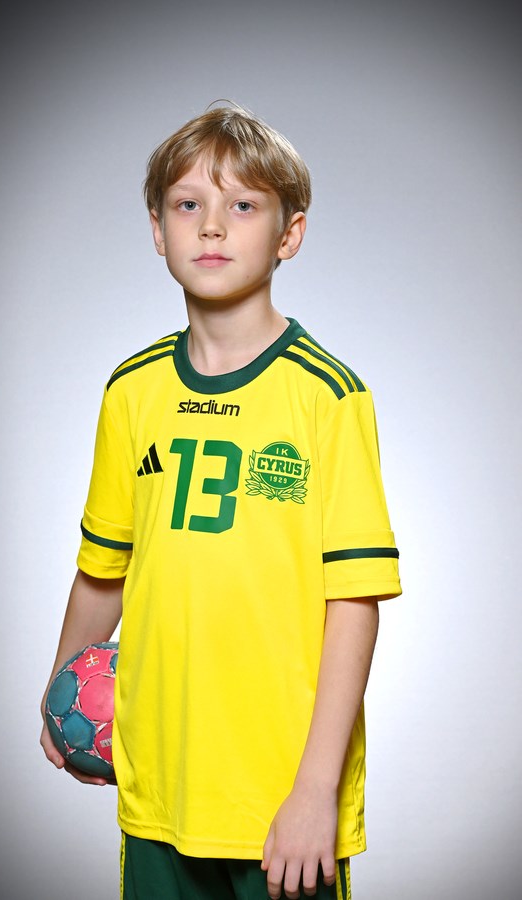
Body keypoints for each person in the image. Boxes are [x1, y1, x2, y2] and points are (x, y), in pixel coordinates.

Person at [40, 103, 401, 900]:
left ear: (288, 234)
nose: (211, 226)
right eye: (187, 204)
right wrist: (59, 694)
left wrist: (314, 792)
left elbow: (355, 601)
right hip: (160, 792)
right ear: (157, 228)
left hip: (282, 804)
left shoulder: (327, 396)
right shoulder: (132, 390)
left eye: (242, 205)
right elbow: (104, 570)